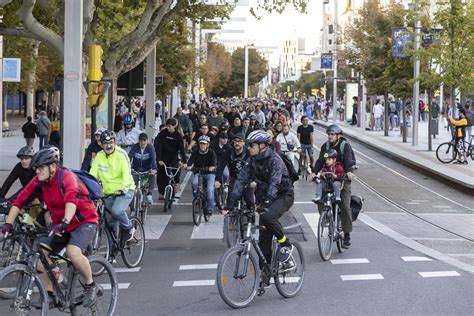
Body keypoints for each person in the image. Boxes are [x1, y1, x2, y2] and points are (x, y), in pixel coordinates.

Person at [2, 146, 99, 307]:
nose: (37, 171)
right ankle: (52, 293)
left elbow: (71, 201)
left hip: (84, 221)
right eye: (36, 168)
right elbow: (19, 201)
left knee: (72, 252)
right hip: (60, 224)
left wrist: (65, 222)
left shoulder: (67, 177)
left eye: (40, 168)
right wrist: (8, 224)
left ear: (52, 167)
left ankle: (90, 285)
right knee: (41, 251)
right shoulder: (40, 181)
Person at [226, 130, 295, 288]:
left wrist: (268, 201)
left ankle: (286, 244)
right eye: (248, 145)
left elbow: (274, 182)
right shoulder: (252, 161)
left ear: (262, 146)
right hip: (265, 198)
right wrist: (230, 204)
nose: (248, 148)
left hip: (283, 195)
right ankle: (266, 274)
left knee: (267, 217)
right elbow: (240, 180)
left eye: (252, 145)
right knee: (264, 239)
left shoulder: (274, 159)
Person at [312, 125, 356, 248]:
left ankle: (346, 234)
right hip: (329, 175)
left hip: (343, 175)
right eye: (329, 134)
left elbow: (348, 160)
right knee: (321, 198)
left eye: (332, 134)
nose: (330, 136)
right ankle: (326, 218)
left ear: (338, 136)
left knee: (345, 205)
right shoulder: (325, 147)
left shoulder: (344, 146)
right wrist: (314, 172)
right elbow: (320, 161)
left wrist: (348, 172)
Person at [90, 130, 136, 241]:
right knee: (110, 223)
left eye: (111, 142)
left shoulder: (121, 154)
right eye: (105, 143)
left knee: (116, 211)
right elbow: (92, 175)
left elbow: (126, 173)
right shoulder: (99, 156)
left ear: (115, 142)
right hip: (108, 193)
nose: (108, 145)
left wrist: (123, 189)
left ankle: (129, 227)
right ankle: (112, 251)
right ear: (101, 144)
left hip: (125, 190)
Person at [215, 133, 254, 208]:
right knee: (230, 201)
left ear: (243, 143)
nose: (237, 143)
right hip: (234, 178)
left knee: (250, 201)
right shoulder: (229, 152)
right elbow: (221, 166)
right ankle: (231, 217)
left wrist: (253, 180)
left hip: (247, 179)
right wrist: (217, 180)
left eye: (239, 141)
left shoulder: (248, 152)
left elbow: (254, 166)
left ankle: (251, 213)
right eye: (235, 141)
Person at [154, 118, 186, 199]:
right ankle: (161, 192)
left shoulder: (178, 136)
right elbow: (159, 147)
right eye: (167, 126)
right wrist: (159, 159)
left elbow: (182, 150)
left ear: (174, 126)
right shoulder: (163, 133)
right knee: (161, 175)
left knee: (176, 169)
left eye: (170, 126)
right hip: (163, 156)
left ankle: (176, 183)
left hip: (173, 156)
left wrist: (184, 161)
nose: (168, 128)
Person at [186, 135, 217, 217]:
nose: (202, 145)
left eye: (204, 144)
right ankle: (197, 199)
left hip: (210, 174)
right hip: (199, 173)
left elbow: (214, 162)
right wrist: (188, 166)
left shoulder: (211, 152)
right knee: (194, 183)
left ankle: (210, 209)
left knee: (210, 190)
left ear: (207, 145)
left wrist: (212, 167)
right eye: (201, 144)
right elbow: (190, 161)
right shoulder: (195, 152)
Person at [129, 133, 158, 204]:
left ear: (147, 141)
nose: (142, 142)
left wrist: (154, 169)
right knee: (133, 184)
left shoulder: (150, 147)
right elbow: (129, 158)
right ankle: (132, 199)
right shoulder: (135, 147)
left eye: (144, 140)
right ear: (138, 141)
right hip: (136, 169)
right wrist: (128, 168)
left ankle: (149, 194)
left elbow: (153, 159)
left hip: (146, 170)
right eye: (141, 140)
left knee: (152, 176)